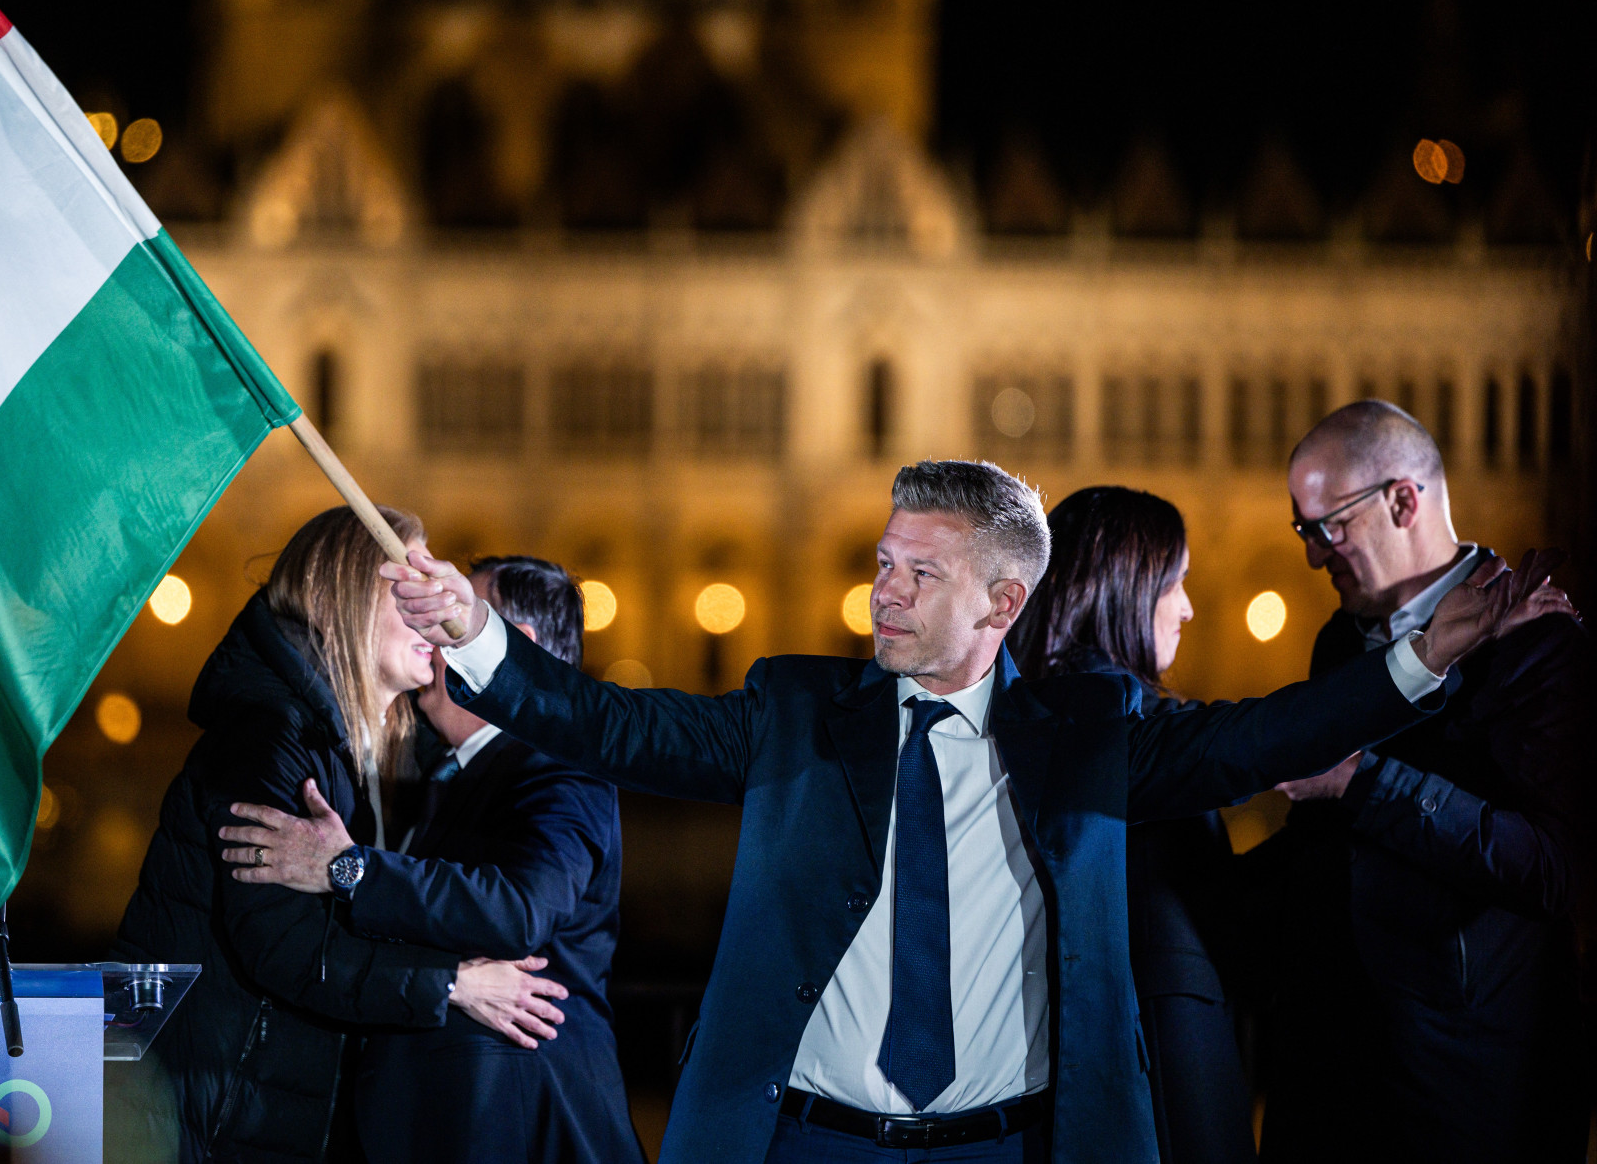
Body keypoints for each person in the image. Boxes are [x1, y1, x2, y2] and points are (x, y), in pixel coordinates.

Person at [383, 458, 1563, 1164]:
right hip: (809, 1143)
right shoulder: (793, 710)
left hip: (1009, 1145)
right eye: (880, 563)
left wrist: (1413, 664)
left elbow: (1259, 736)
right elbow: (612, 725)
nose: (881, 593)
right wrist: (474, 634)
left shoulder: (1089, 732)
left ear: (1002, 601)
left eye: (918, 573)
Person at [109, 506, 569, 1163]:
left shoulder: (375, 751)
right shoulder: (268, 737)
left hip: (264, 1109)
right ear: (339, 595)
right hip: (203, 1114)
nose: (431, 616)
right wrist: (453, 984)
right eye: (405, 590)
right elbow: (281, 941)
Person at [1250, 400, 1591, 1164]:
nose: (1314, 557)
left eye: (1327, 527)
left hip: (1464, 1094)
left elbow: (1552, 869)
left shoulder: (1537, 639)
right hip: (1332, 1082)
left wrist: (1364, 782)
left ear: (1403, 501)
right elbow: (1320, 849)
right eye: (1303, 530)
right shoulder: (1340, 639)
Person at [217, 554, 644, 1163]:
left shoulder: (561, 765)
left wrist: (347, 868)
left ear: (512, 647)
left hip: (511, 1122)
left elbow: (521, 910)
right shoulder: (452, 769)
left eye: (447, 623)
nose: (427, 639)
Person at [1008, 487, 1254, 1164]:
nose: (1188, 608)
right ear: (1124, 589)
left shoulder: (1029, 712)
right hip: (1163, 1067)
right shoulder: (1125, 725)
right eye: (1174, 583)